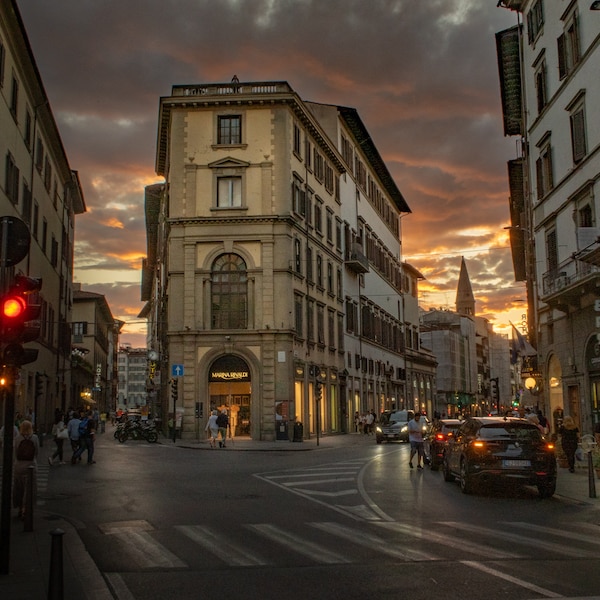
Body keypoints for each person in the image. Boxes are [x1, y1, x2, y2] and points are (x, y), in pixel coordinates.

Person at [13, 420, 39, 520]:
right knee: (29, 490)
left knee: (19, 489)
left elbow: (15, 452)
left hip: (19, 466)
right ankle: (25, 509)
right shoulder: (35, 438)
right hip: (30, 467)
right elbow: (36, 452)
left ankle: (19, 508)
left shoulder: (17, 438)